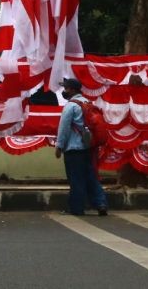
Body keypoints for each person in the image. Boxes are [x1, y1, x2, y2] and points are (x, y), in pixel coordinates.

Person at [55, 77, 107, 216]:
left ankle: (76, 208)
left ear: (72, 89)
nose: (64, 91)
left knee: (76, 178)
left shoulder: (71, 106)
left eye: (66, 88)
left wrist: (59, 146)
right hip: (89, 147)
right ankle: (100, 203)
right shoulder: (88, 102)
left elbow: (64, 128)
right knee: (91, 176)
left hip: (74, 149)